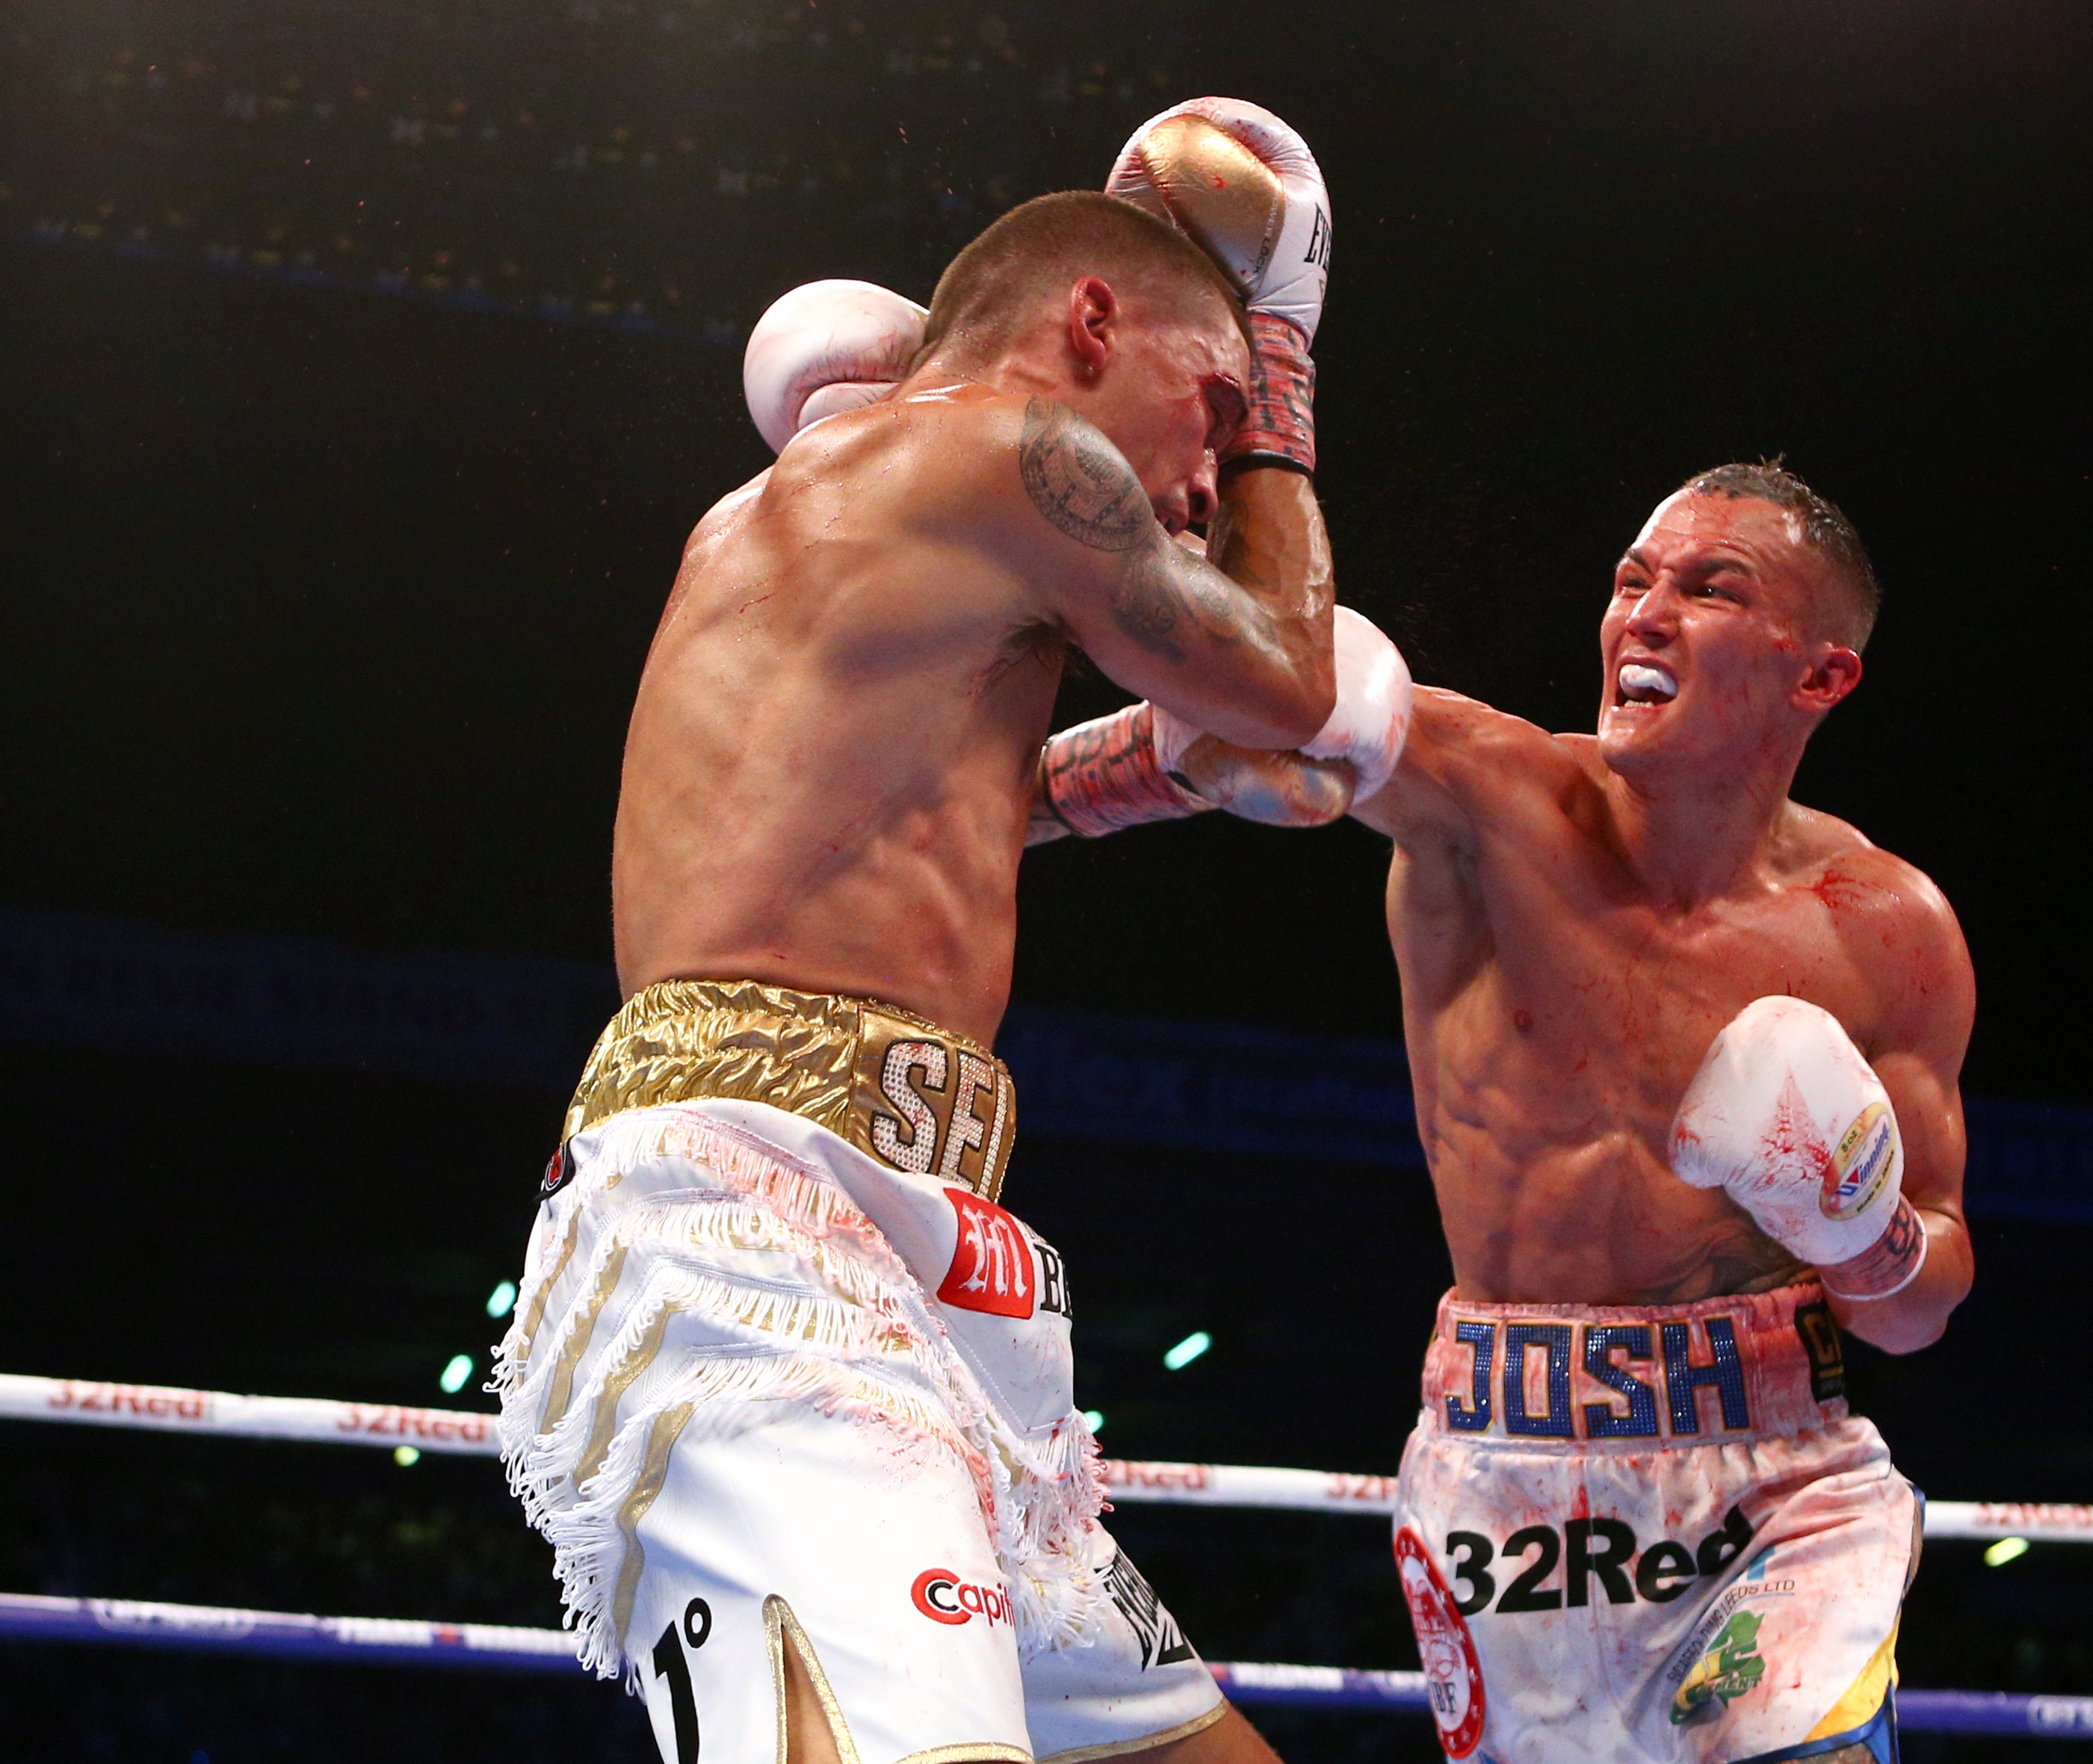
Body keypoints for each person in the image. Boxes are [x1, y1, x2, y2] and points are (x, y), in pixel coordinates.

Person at [494, 99, 1411, 1764]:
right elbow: (1286, 664)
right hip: (754, 1244)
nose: (1208, 476)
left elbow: (897, 810)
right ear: (1088, 322)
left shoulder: (834, 510)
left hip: (915, 1248)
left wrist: (1133, 773)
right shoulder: (1006, 452)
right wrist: (1281, 352)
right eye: (1204, 406)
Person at [1031, 462, 1973, 1763]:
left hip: (1776, 1471)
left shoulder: (1885, 928)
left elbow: (1920, 1305)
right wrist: (999, 803)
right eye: (1631, 580)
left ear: (1820, 674)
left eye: (1708, 588)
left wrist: (1861, 1227)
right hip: (1507, 1468)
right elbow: (1292, 693)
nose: (1642, 612)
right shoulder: (1493, 801)